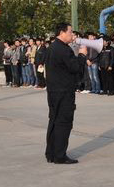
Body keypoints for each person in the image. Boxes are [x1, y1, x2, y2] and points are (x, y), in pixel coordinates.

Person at [45, 23, 87, 165]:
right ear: (62, 32)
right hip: (64, 91)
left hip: (53, 91)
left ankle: (51, 153)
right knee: (64, 123)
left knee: (54, 121)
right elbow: (75, 67)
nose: (72, 35)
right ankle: (60, 155)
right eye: (70, 32)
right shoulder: (64, 49)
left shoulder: (52, 47)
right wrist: (82, 55)